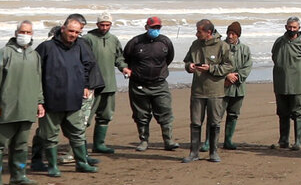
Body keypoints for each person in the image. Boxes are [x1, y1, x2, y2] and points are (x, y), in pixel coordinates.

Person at [34, 15, 103, 176]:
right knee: (50, 136)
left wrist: (86, 85)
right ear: (63, 29)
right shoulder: (46, 47)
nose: (73, 35)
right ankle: (52, 166)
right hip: (51, 100)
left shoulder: (80, 46)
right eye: (71, 31)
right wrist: (38, 100)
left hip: (74, 99)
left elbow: (87, 66)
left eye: (77, 32)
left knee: (77, 132)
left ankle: (81, 163)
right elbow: (34, 72)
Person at [0, 20, 45, 185]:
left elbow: (38, 80)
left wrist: (39, 102)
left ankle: (19, 175)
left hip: (27, 106)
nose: (25, 36)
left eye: (28, 32)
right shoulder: (3, 53)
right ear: (16, 32)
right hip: (7, 106)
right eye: (22, 32)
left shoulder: (35, 55)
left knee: (21, 143)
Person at [122, 16, 179, 151]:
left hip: (159, 84)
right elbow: (125, 58)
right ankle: (143, 141)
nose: (155, 29)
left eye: (157, 27)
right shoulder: (135, 42)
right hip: (138, 85)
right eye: (152, 27)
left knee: (165, 112)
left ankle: (168, 140)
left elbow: (169, 58)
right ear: (146, 27)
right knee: (141, 115)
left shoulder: (165, 42)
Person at [181, 19, 234, 163]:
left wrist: (211, 68)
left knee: (214, 122)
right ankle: (194, 153)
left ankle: (213, 152)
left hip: (215, 91)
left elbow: (229, 66)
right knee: (196, 122)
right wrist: (190, 66)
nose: (196, 34)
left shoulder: (222, 46)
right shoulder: (195, 44)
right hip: (198, 90)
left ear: (208, 32)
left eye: (199, 31)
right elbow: (186, 61)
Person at [271, 16, 301, 150]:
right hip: (281, 84)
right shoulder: (279, 42)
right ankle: (283, 140)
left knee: (298, 113)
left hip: (299, 85)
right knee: (282, 112)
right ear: (286, 27)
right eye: (289, 27)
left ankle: (298, 141)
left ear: (299, 28)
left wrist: (300, 72)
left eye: (294, 27)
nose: (292, 29)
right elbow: (274, 56)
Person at [85, 12, 128, 154]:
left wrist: (124, 68)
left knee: (105, 116)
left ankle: (99, 144)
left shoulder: (114, 39)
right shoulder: (87, 39)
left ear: (111, 25)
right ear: (97, 25)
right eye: (102, 25)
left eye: (107, 25)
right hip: (92, 86)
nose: (104, 27)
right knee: (85, 118)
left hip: (109, 85)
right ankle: (78, 147)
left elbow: (119, 58)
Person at [211, 21, 250, 150]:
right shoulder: (220, 47)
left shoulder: (245, 49)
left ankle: (228, 140)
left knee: (233, 115)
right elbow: (214, 64)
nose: (230, 36)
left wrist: (236, 77)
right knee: (216, 116)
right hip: (222, 87)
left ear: (238, 35)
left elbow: (247, 67)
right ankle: (209, 142)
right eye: (229, 33)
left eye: (233, 34)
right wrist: (226, 75)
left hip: (238, 89)